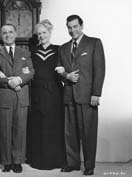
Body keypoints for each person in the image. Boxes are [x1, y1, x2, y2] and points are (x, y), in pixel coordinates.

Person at [56, 15, 105, 176]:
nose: (72, 30)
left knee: (88, 133)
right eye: (69, 27)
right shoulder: (63, 48)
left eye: (75, 26)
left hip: (87, 96)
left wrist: (96, 93)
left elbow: (99, 70)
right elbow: (59, 69)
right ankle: (72, 163)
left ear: (82, 26)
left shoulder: (94, 43)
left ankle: (89, 166)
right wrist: (66, 76)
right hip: (69, 95)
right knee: (70, 133)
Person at [0, 24, 34, 173]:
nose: (7, 35)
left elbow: (30, 72)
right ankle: (6, 161)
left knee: (20, 130)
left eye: (10, 32)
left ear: (15, 34)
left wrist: (19, 80)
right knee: (5, 129)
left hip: (21, 96)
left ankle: (18, 161)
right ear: (1, 36)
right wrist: (9, 81)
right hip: (4, 97)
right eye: (4, 33)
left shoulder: (25, 52)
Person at [26, 19, 66, 170]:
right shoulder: (33, 51)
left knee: (54, 125)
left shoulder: (59, 50)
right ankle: (38, 160)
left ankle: (55, 160)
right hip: (36, 91)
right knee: (38, 125)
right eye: (39, 33)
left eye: (44, 32)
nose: (41, 36)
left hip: (55, 91)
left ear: (50, 32)